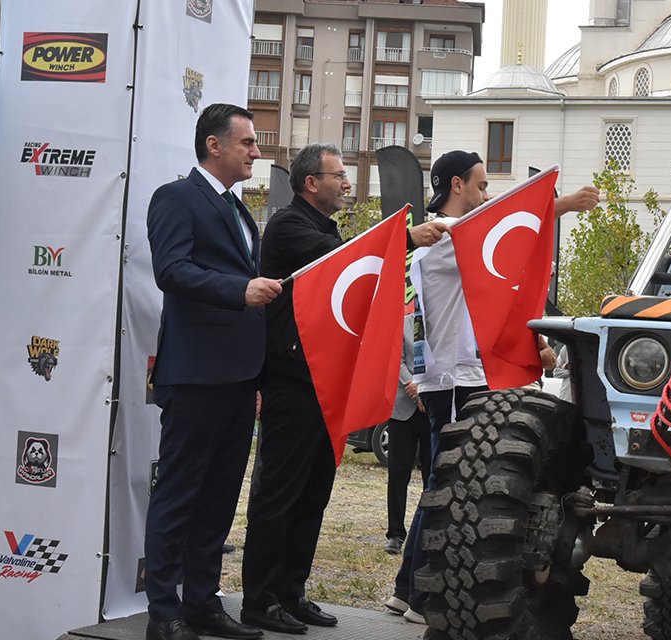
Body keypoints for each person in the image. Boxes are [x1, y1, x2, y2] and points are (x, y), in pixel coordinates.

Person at [385, 150, 599, 623]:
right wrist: (560, 205)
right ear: (457, 185)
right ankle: (423, 594)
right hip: (454, 377)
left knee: (442, 484)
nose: (486, 194)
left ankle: (407, 589)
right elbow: (496, 225)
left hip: (453, 375)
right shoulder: (443, 234)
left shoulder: (450, 234)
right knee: (449, 487)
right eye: (481, 185)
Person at [242, 142, 447, 635]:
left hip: (324, 382)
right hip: (291, 382)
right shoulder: (290, 226)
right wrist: (408, 236)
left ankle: (291, 593)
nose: (348, 184)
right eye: (339, 176)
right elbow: (351, 257)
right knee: (279, 493)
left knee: (313, 492)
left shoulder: (322, 226)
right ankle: (260, 600)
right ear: (312, 183)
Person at [143, 103, 282, 640]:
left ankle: (202, 603)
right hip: (196, 374)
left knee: (220, 498)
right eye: (247, 142)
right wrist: (238, 290)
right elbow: (170, 270)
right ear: (213, 145)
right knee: (178, 495)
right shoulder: (176, 197)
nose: (256, 151)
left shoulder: (241, 209)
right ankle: (163, 612)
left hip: (238, 376)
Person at [384, 314, 429, 555]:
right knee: (398, 474)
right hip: (403, 407)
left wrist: (426, 388)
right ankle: (395, 534)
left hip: (432, 408)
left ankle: (426, 532)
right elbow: (396, 359)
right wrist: (413, 385)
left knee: (432, 476)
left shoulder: (445, 324)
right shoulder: (403, 322)